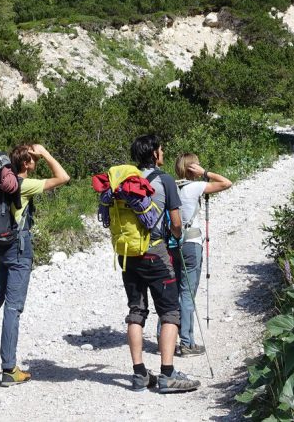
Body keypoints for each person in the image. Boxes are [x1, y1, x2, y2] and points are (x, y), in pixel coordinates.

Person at [0, 143, 70, 387]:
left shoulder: (1, 183)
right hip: (19, 248)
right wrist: (46, 153)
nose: (36, 162)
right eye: (33, 159)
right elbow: (63, 177)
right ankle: (9, 369)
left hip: (1, 248)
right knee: (13, 309)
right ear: (26, 163)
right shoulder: (25, 185)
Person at [122, 134, 201, 394]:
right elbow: (176, 223)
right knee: (170, 312)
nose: (163, 152)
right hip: (156, 253)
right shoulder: (165, 180)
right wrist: (175, 239)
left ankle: (139, 374)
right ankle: (167, 374)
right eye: (161, 149)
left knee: (136, 311)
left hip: (129, 254)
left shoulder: (126, 179)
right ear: (155, 153)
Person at [172, 153, 232, 356]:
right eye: (196, 164)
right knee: (188, 294)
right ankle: (187, 342)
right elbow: (226, 183)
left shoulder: (172, 186)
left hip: (172, 244)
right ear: (192, 168)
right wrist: (205, 173)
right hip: (191, 244)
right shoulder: (194, 187)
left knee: (174, 293)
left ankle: (167, 337)